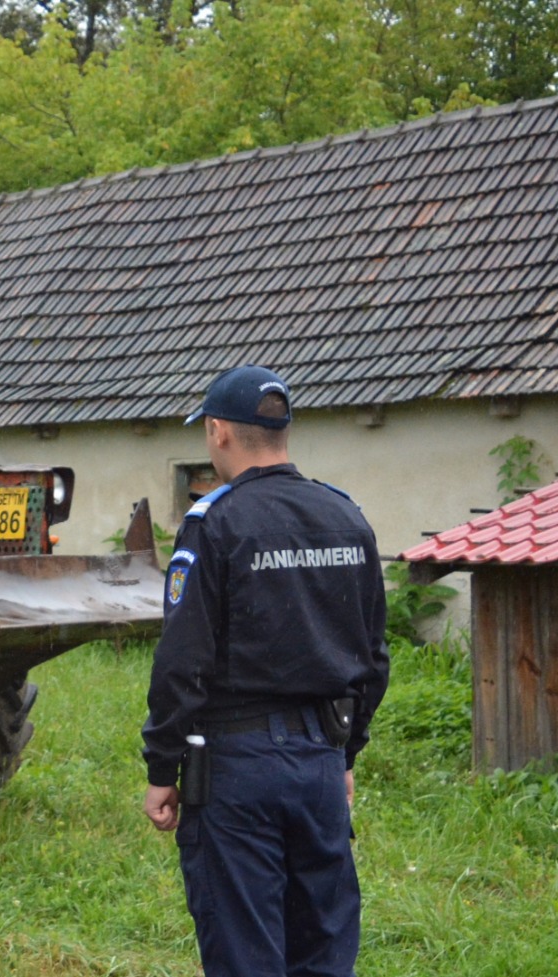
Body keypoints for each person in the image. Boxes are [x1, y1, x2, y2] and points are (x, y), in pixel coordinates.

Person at [141, 365, 390, 977]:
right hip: (321, 763)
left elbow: (182, 663)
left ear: (219, 431)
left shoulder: (214, 523)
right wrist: (346, 753)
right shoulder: (346, 516)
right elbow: (374, 658)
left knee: (245, 951)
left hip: (237, 770)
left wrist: (161, 767)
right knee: (322, 948)